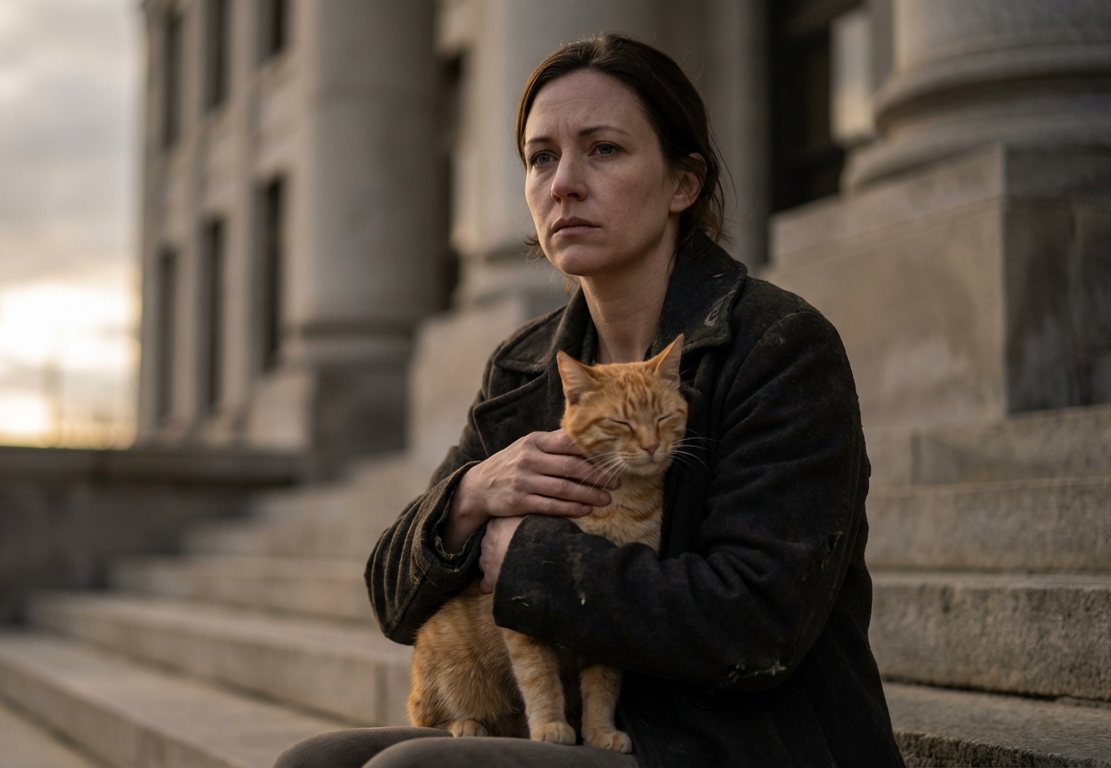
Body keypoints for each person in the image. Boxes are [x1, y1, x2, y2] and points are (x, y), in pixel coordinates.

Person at [276, 33, 905, 768]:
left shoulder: (777, 344)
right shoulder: (525, 365)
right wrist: (469, 496)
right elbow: (393, 599)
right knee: (314, 762)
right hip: (562, 721)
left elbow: (757, 623)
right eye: (541, 157)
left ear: (683, 184)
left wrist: (530, 563)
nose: (563, 184)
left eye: (603, 149)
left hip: (725, 740)